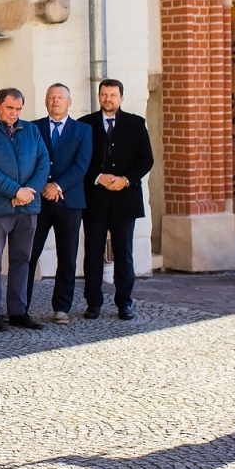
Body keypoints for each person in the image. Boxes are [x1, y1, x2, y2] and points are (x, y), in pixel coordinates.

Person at [0, 88, 50, 332]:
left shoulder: (32, 130)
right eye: (9, 108)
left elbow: (43, 163)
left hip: (28, 207)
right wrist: (15, 192)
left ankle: (18, 311)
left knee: (22, 259)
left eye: (18, 109)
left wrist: (28, 193)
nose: (14, 113)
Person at [80, 78, 154, 320]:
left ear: (121, 98)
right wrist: (97, 177)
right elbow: (79, 160)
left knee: (124, 253)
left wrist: (126, 179)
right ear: (98, 96)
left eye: (113, 95)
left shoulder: (136, 123)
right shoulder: (85, 124)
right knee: (93, 253)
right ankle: (93, 303)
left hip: (125, 199)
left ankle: (124, 303)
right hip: (95, 199)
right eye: (104, 94)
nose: (108, 99)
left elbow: (146, 159)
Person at [25, 84, 92, 324]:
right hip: (39, 201)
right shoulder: (33, 128)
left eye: (60, 97)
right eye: (51, 97)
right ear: (45, 101)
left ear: (69, 102)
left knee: (67, 256)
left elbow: (81, 165)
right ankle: (21, 306)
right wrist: (43, 185)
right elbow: (28, 161)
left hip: (69, 201)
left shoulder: (83, 130)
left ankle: (62, 307)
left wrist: (58, 186)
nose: (55, 101)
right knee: (29, 253)